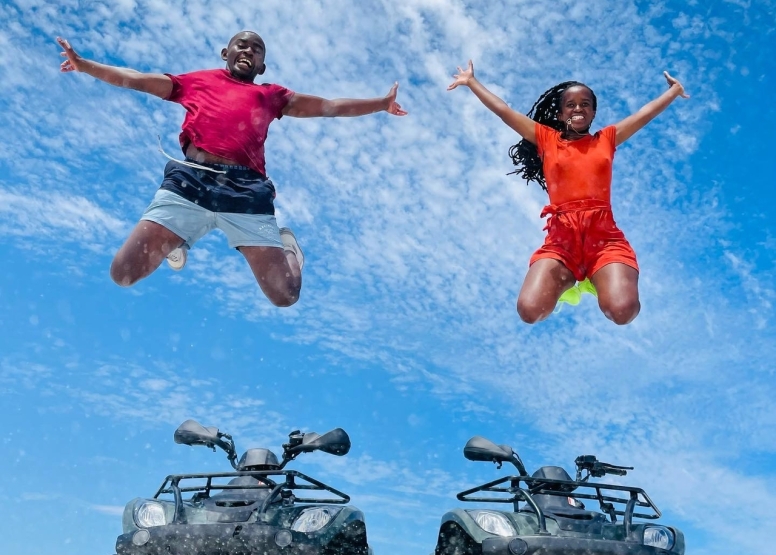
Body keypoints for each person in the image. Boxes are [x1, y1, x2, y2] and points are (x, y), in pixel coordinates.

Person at [57, 32, 407, 307]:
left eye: (256, 50)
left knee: (286, 295)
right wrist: (85, 65)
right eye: (241, 45)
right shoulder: (196, 82)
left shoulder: (271, 95)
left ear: (262, 66)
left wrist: (380, 104)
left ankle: (289, 249)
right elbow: (136, 79)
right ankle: (178, 237)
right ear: (226, 53)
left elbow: (329, 106)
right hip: (189, 183)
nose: (248, 51)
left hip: (245, 194)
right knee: (123, 273)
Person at [447, 61, 688, 325]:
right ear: (561, 114)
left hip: (604, 238)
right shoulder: (546, 138)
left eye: (585, 104)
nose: (578, 108)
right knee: (529, 311)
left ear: (593, 112)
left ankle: (598, 278)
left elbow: (644, 114)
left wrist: (673, 92)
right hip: (562, 240)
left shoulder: (605, 139)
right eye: (570, 105)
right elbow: (504, 111)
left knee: (623, 311)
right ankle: (570, 281)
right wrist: (471, 82)